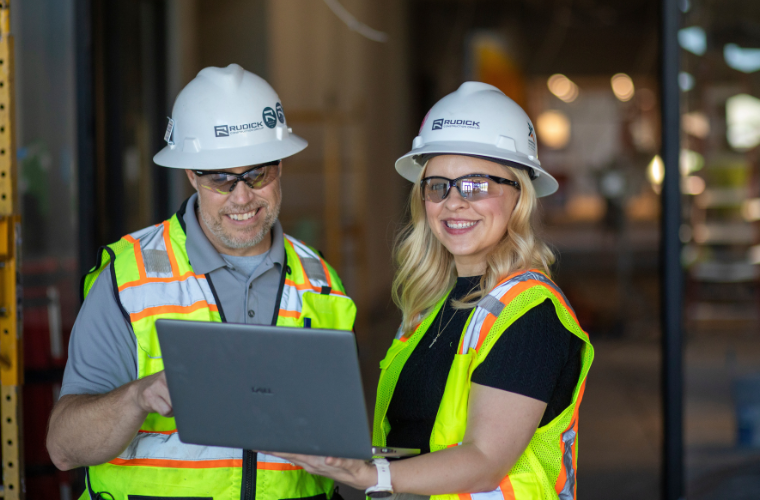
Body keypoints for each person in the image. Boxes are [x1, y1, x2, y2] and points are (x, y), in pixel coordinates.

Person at [46, 64, 357, 500]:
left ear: (280, 165)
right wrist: (137, 397)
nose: (242, 197)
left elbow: (343, 448)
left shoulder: (323, 284)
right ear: (191, 174)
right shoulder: (128, 280)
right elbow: (64, 448)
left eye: (257, 175)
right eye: (220, 179)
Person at [271, 82, 594, 500]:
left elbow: (485, 462)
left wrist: (369, 477)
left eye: (476, 185)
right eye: (437, 185)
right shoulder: (435, 307)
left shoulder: (531, 316)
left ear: (518, 197)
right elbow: (415, 438)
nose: (454, 202)